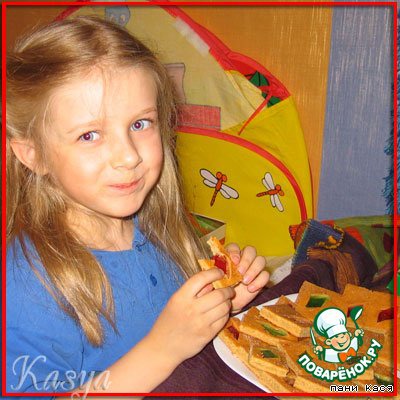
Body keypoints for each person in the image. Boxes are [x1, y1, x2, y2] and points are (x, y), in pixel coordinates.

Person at [6, 15, 269, 396]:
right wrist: (162, 349)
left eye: (140, 124)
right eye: (89, 135)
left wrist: (222, 305)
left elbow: (185, 345)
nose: (128, 156)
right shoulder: (27, 285)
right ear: (33, 155)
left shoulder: (159, 229)